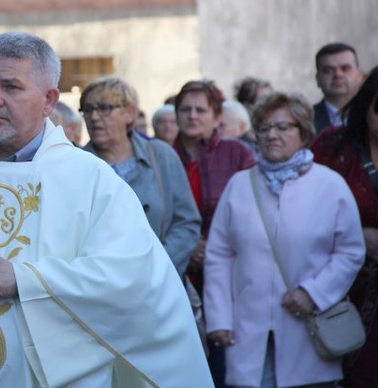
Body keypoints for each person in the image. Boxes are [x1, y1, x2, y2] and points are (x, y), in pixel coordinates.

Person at [0, 31, 212, 387]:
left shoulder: (92, 180)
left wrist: (23, 279)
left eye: (11, 87)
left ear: (48, 100)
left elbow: (132, 277)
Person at [205, 91, 365, 387]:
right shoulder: (240, 185)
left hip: (307, 326)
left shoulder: (329, 185)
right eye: (264, 128)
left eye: (283, 127)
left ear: (303, 133)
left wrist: (314, 293)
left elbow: (350, 251)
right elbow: (219, 255)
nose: (272, 135)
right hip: (247, 327)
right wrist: (220, 318)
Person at [173, 79, 256, 387]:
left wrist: (217, 245)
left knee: (227, 357)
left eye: (200, 110)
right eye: (185, 109)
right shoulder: (163, 155)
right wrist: (188, 245)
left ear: (216, 115)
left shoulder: (239, 153)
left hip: (229, 271)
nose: (192, 116)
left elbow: (253, 209)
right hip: (181, 271)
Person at [80, 76, 201, 276]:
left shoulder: (160, 155)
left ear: (130, 113)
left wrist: (156, 265)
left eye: (104, 108)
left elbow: (186, 223)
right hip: (101, 284)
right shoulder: (79, 164)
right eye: (87, 109)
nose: (93, 117)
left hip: (158, 282)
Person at [311, 67, 378, 387]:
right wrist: (357, 235)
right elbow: (305, 209)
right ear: (366, 105)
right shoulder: (333, 147)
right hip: (345, 286)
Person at [313, 43, 363, 134]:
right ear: (318, 79)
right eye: (328, 70)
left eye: (345, 68)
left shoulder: (372, 116)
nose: (338, 75)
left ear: (359, 76)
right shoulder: (305, 120)